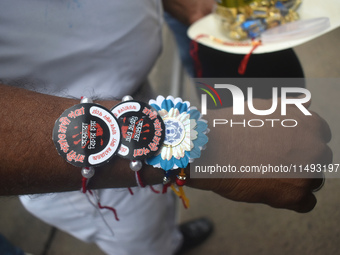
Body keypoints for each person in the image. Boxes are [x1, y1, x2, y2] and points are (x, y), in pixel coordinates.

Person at [0, 1, 332, 255]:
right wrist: (213, 149)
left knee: (162, 211)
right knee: (142, 239)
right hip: (75, 172)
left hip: (137, 100)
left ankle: (171, 238)